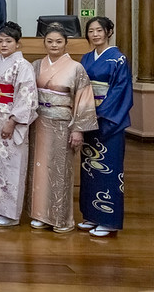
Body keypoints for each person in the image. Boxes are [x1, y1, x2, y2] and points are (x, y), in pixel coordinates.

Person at [27, 23, 98, 233]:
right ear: (44, 43)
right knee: (39, 168)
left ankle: (60, 218)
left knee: (60, 170)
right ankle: (40, 214)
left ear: (66, 43)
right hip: (39, 122)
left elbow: (84, 99)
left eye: (59, 41)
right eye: (50, 41)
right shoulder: (36, 65)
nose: (54, 45)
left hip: (63, 123)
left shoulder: (76, 68)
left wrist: (78, 129)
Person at [78, 16, 133, 238]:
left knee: (109, 169)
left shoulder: (119, 59)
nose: (95, 35)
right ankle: (92, 215)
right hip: (89, 118)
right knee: (89, 169)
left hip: (109, 121)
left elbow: (120, 91)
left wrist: (100, 114)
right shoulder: (86, 58)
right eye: (91, 31)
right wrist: (85, 113)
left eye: (99, 30)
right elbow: (81, 87)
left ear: (109, 31)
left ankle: (109, 220)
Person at [0, 22, 38, 226]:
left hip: (10, 118)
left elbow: (27, 97)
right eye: (0, 41)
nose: (4, 45)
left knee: (12, 165)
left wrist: (13, 121)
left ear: (18, 43)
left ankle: (11, 214)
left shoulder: (23, 66)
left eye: (8, 41)